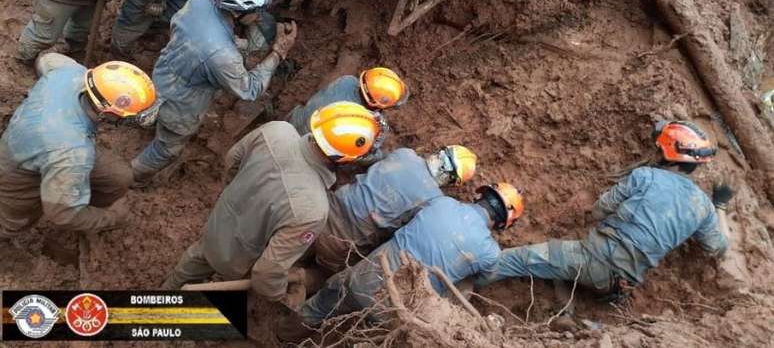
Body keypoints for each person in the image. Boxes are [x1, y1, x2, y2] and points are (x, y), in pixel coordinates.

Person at [474, 121, 730, 323]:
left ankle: (455, 287)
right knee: (559, 262)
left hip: (595, 261)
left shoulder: (646, 177)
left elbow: (599, 210)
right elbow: (718, 248)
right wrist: (721, 206)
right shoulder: (703, 207)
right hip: (620, 287)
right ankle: (565, 315)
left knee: (517, 259)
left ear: (668, 154)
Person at [161, 102, 386, 309]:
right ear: (345, 159)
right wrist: (280, 295)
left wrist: (238, 193)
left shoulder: (277, 130)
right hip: (241, 260)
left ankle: (164, 295)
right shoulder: (313, 208)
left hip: (219, 223)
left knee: (196, 259)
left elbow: (232, 159)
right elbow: (266, 272)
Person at [278, 183, 525, 342]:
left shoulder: (443, 203)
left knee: (319, 307)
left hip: (364, 276)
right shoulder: (490, 252)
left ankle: (281, 337)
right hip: (394, 311)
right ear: (505, 223)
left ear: (480, 195)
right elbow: (482, 278)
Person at [129, 0, 297, 186]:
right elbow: (250, 90)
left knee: (157, 105)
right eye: (257, 11)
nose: (258, 16)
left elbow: (189, 33)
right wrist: (278, 51)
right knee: (168, 147)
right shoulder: (222, 56)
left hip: (164, 71)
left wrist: (232, 46)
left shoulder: (200, 2)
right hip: (183, 104)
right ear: (239, 12)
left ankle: (152, 117)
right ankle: (133, 177)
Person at [0, 53, 156, 237]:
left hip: (43, 140)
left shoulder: (71, 72)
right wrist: (111, 217)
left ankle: (83, 206)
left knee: (118, 176)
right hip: (17, 169)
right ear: (107, 112)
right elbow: (61, 214)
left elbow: (46, 59)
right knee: (14, 221)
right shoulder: (74, 152)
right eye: (128, 116)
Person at [315, 145, 478, 273]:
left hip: (324, 209)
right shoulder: (434, 200)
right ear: (452, 180)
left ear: (439, 153)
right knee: (326, 274)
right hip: (342, 243)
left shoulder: (405, 154)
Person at [285, 67, 409, 136]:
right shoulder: (363, 122)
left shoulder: (347, 81)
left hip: (292, 120)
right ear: (375, 103)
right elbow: (362, 155)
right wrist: (379, 156)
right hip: (307, 142)